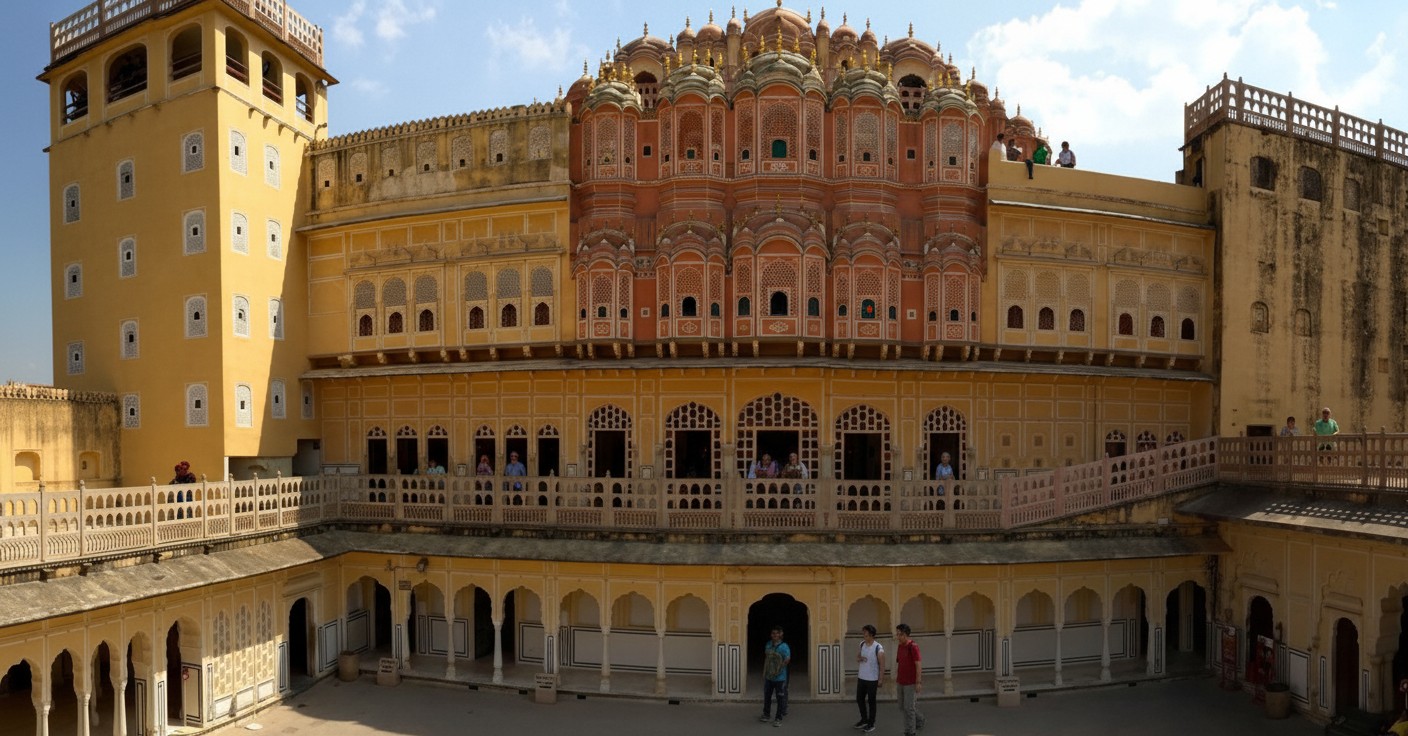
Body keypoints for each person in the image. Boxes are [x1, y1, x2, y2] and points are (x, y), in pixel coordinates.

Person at [895, 623, 925, 736]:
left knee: (909, 708)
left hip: (911, 682)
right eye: (897, 634)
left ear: (905, 635)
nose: (897, 637)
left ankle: (910, 731)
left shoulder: (913, 646)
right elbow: (900, 663)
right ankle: (920, 719)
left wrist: (918, 682)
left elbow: (918, 665)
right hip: (901, 681)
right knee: (903, 706)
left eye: (899, 635)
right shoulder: (900, 646)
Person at [853, 624, 885, 733]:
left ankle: (871, 723)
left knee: (871, 701)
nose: (864, 637)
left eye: (866, 635)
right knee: (859, 699)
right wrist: (860, 658)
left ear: (871, 635)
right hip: (861, 677)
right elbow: (858, 657)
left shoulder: (878, 648)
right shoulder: (862, 644)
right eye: (863, 634)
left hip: (872, 679)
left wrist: (880, 679)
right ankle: (864, 720)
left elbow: (882, 665)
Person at [759, 625, 791, 727]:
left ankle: (778, 718)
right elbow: (767, 658)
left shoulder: (784, 646)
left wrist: (779, 667)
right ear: (771, 634)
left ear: (781, 634)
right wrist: (765, 672)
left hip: (780, 677)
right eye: (773, 633)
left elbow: (787, 659)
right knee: (767, 696)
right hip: (769, 676)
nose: (775, 635)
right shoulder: (768, 644)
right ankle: (766, 714)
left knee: (780, 698)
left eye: (777, 633)